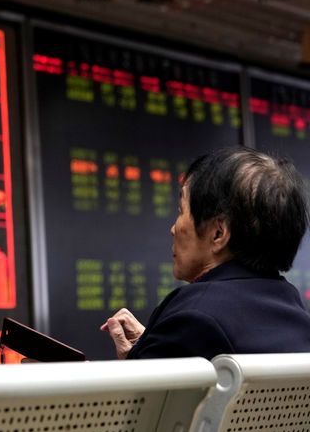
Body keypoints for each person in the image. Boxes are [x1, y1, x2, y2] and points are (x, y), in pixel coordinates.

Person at [101, 146, 310, 360]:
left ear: (218, 233)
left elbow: (143, 393)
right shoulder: (297, 315)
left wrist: (135, 360)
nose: (173, 228)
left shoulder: (192, 317)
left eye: (181, 211)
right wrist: (153, 343)